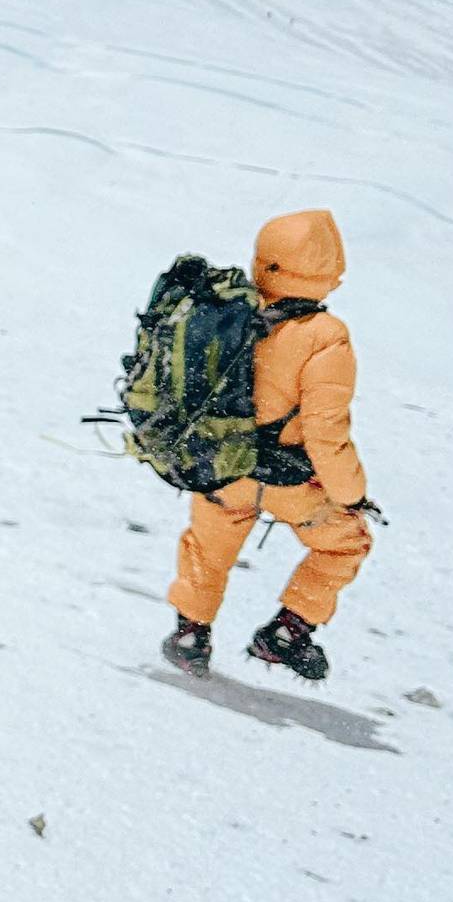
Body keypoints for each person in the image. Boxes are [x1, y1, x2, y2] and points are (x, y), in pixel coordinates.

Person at [160, 209, 373, 683]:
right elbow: (326, 430)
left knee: (206, 551)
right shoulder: (325, 337)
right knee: (344, 544)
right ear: (329, 269)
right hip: (289, 480)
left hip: (222, 468)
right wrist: (350, 494)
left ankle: (190, 635)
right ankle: (287, 631)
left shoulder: (230, 314)